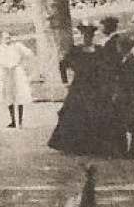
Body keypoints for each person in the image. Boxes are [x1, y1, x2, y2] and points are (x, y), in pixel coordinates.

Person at [47, 22, 121, 157]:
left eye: (90, 35)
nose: (87, 37)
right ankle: (74, 144)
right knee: (76, 112)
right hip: (79, 86)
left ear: (93, 36)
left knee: (98, 112)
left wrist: (106, 82)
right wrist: (65, 81)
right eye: (85, 35)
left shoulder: (99, 50)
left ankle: (96, 145)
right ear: (81, 35)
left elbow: (106, 67)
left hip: (95, 86)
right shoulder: (76, 50)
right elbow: (63, 64)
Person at [0, 31, 36, 128]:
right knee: (8, 96)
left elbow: (28, 53)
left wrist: (22, 61)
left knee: (20, 95)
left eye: (9, 37)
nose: (8, 40)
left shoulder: (17, 46)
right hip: (6, 73)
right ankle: (13, 120)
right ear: (1, 39)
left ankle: (19, 121)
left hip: (17, 72)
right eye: (5, 38)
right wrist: (4, 65)